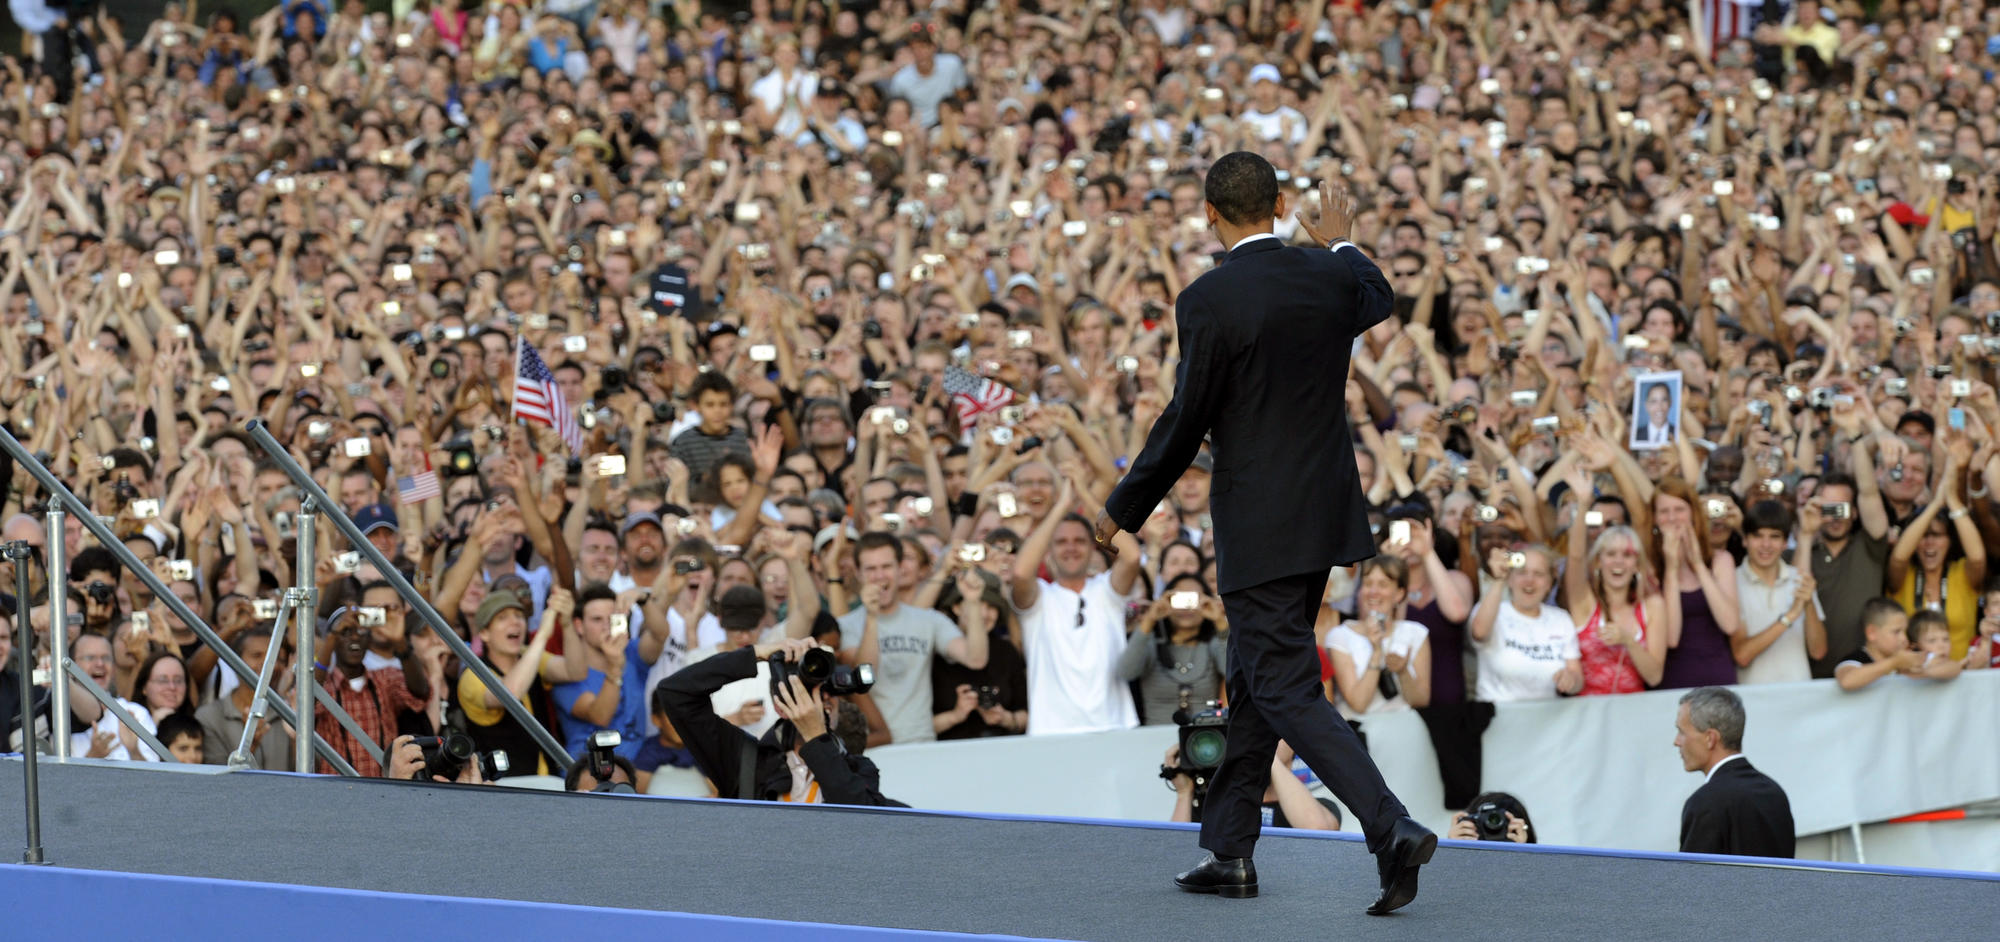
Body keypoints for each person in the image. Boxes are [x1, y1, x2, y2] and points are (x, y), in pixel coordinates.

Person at [1093, 161, 1432, 913]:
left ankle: (1389, 826)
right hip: (1321, 518)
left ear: (1210, 214)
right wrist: (1341, 243)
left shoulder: (1208, 299)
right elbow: (1378, 296)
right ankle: (1230, 852)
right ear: (1281, 206)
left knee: (1279, 684)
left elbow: (1185, 419)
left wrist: (1123, 506)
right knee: (1252, 679)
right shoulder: (1328, 275)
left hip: (1257, 523)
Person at [659, 637, 901, 806]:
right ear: (779, 705)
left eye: (827, 691)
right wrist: (756, 654)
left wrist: (816, 738)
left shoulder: (858, 770)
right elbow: (676, 694)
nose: (822, 698)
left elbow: (865, 825)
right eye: (809, 690)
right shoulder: (746, 761)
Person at [1012, 481, 1142, 735]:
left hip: (1114, 725)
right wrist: (1060, 508)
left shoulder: (1106, 591)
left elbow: (1132, 556)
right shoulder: (1041, 597)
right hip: (1051, 732)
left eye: (1079, 541)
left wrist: (1085, 495)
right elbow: (1019, 572)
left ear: (1093, 548)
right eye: (1061, 542)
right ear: (1048, 551)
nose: (1071, 548)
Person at [1886, 437, 1985, 661]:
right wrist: (1934, 506)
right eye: (1923, 537)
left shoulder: (1962, 573)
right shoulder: (1904, 576)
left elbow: (1977, 557)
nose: (1929, 543)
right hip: (1911, 683)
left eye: (1937, 536)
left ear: (1949, 541)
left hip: (1961, 682)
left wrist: (1952, 502)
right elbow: (1899, 557)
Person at [1674, 687, 1795, 859]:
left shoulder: (1705, 802)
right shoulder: (1774, 793)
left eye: (1682, 732)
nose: (1676, 742)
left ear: (1710, 738)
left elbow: (1693, 881)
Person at [1470, 545, 1584, 701]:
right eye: (1521, 572)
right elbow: (1479, 632)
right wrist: (1498, 580)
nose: (1529, 580)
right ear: (1510, 579)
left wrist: (1571, 680)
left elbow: (1577, 678)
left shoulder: (1561, 619)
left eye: (1538, 574)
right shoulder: (1492, 609)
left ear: (1550, 583)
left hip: (1550, 720)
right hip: (1499, 718)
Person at [1731, 502, 1827, 685]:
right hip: (1752, 700)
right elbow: (1742, 655)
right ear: (1745, 539)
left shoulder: (1800, 579)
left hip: (1798, 694)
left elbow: (1818, 651)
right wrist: (1790, 616)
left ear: (1785, 543)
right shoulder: (1733, 582)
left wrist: (1809, 604)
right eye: (1758, 536)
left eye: (1774, 537)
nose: (1765, 545)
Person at [1118, 573, 1230, 726]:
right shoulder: (1151, 644)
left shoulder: (1213, 644)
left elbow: (1234, 672)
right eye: (1178, 600)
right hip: (1153, 739)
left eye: (1192, 600)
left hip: (1203, 741)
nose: (1186, 608)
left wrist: (1220, 622)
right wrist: (1150, 619)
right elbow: (1125, 672)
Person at [1324, 557, 1430, 717]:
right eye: (1367, 584)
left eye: (1383, 584)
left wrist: (1403, 672)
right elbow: (1358, 704)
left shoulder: (1416, 633)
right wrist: (1376, 653)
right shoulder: (1340, 636)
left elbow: (1421, 700)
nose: (1373, 592)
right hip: (1359, 730)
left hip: (1404, 725)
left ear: (1399, 593)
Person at [1833, 598, 1958, 691]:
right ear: (1872, 633)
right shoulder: (1857, 659)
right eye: (1896, 632)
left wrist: (1924, 673)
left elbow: (1954, 668)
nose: (1904, 638)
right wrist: (1894, 663)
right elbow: (1847, 681)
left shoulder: (1909, 658)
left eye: (1904, 631)